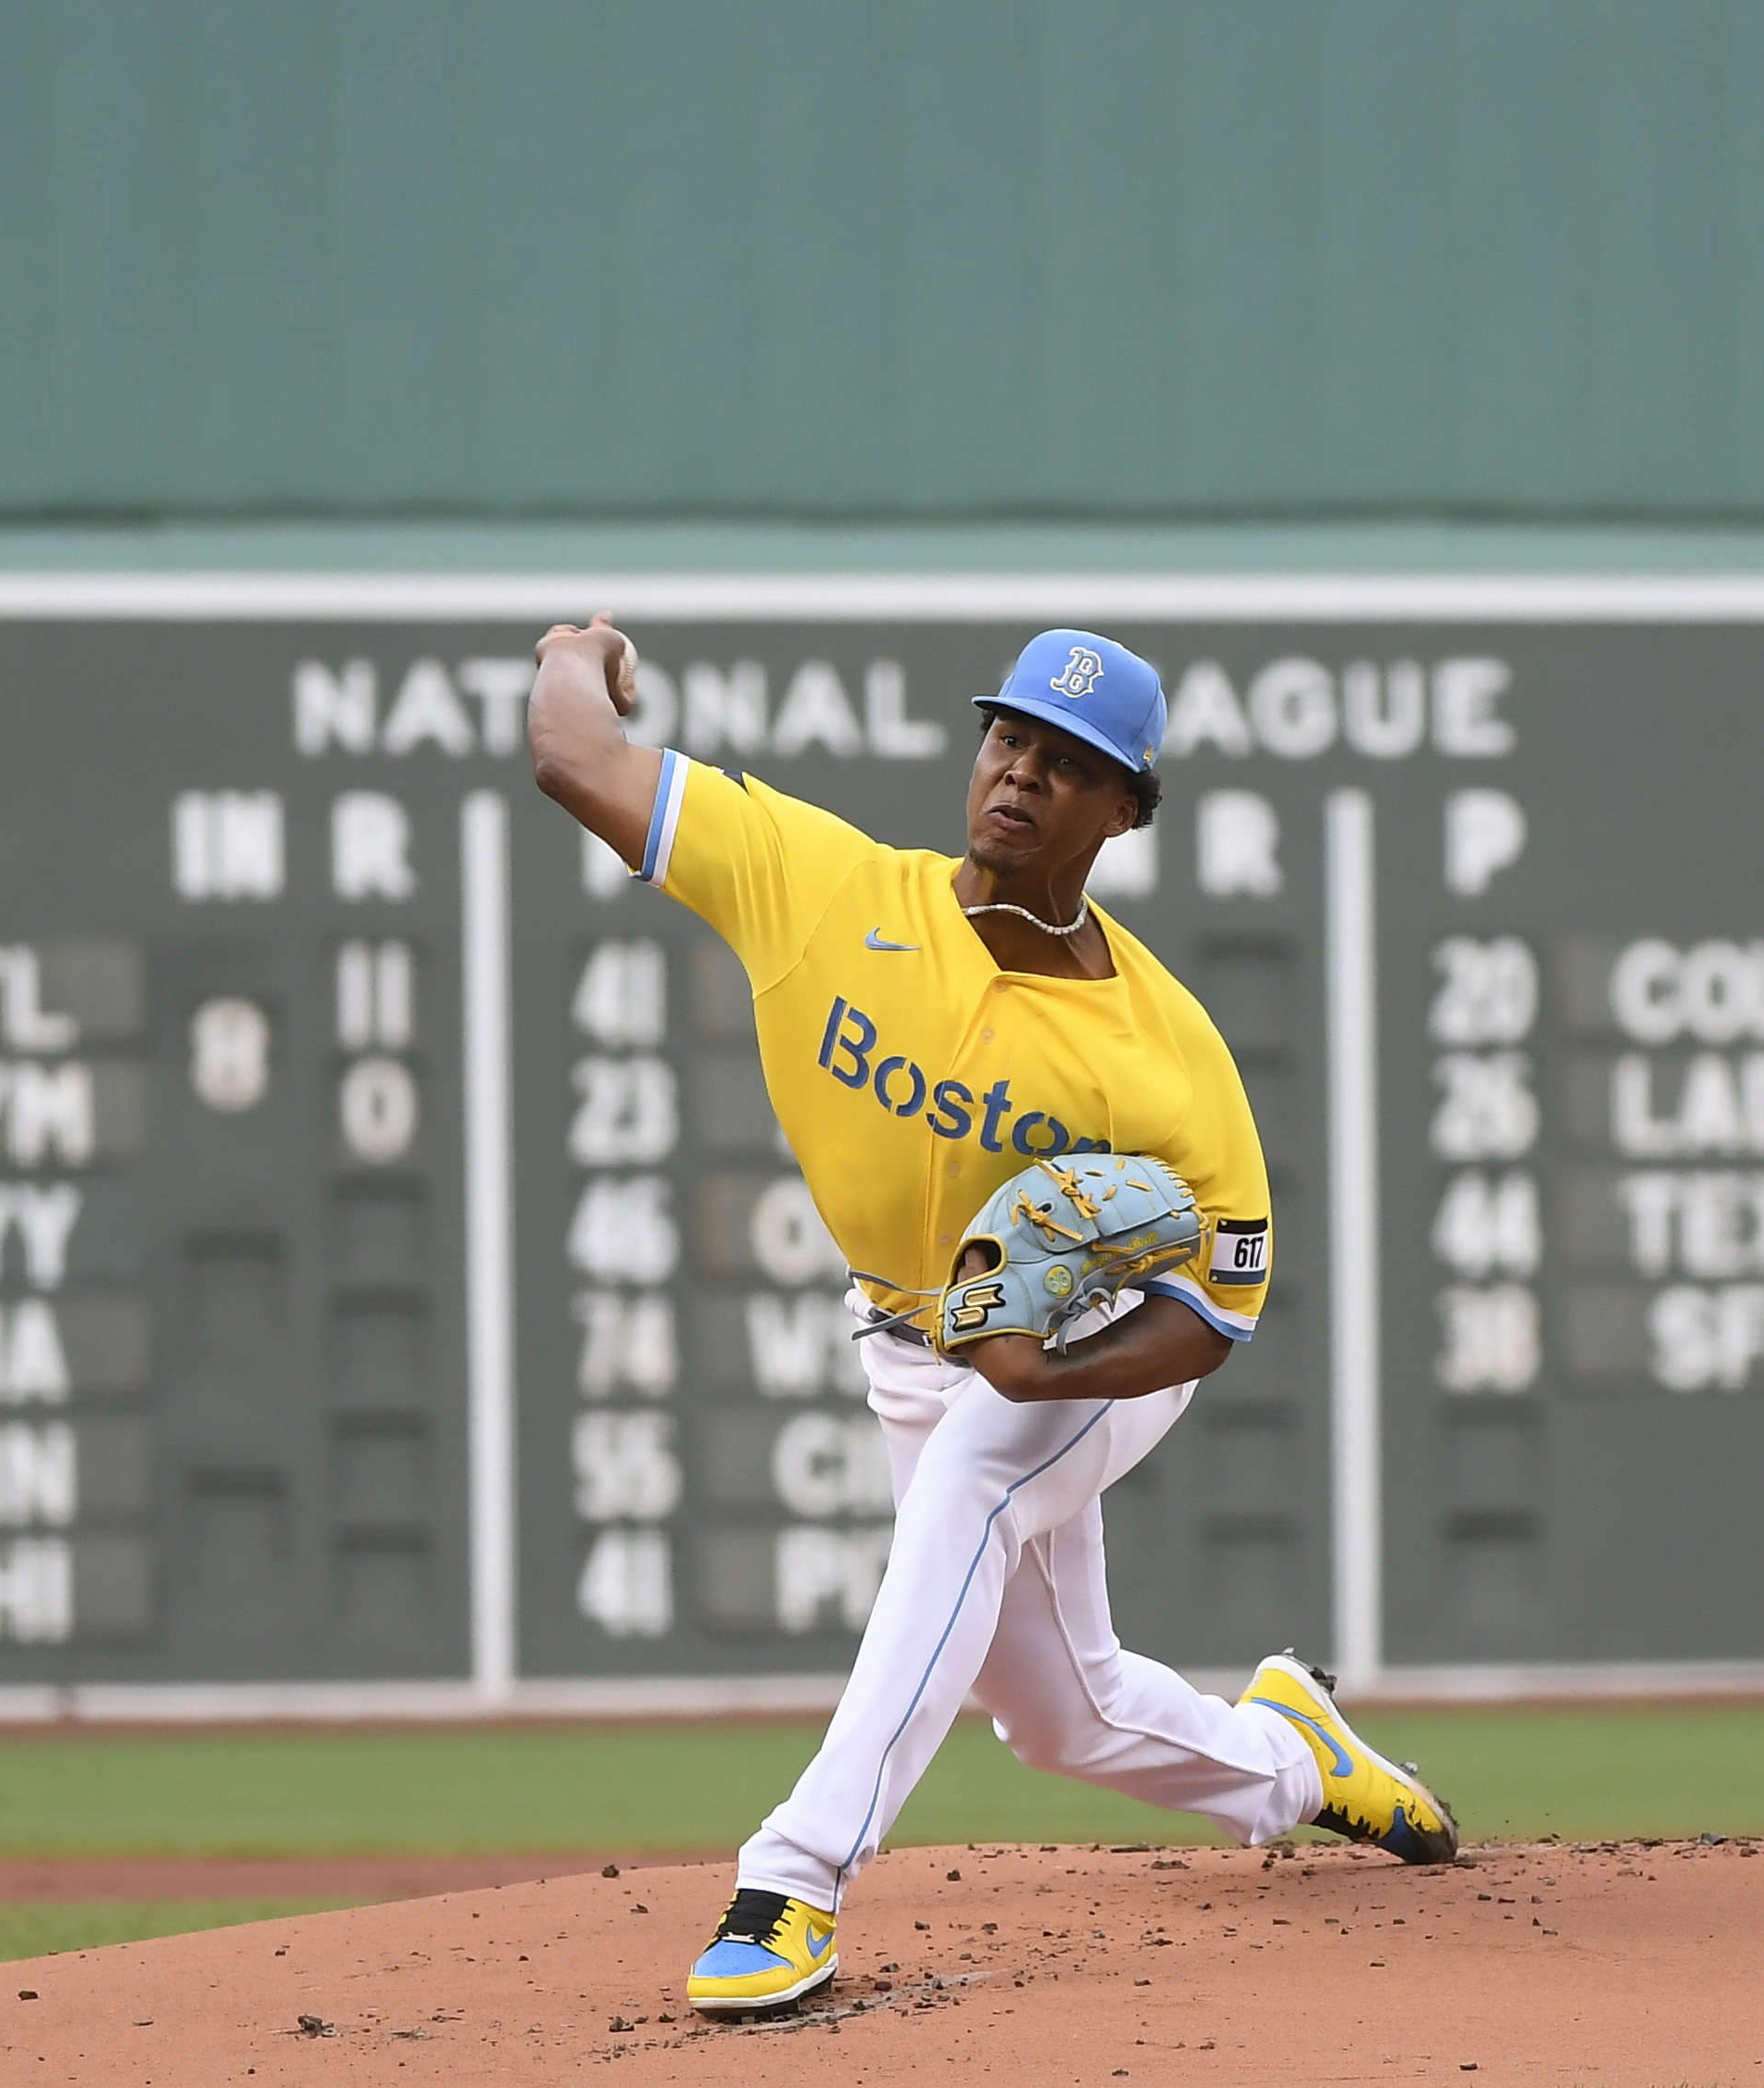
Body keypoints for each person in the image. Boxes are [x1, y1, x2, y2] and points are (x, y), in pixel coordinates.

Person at [526, 616, 1459, 2016]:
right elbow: (571, 754)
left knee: (968, 1479)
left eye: (1068, 762)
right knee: (1059, 1718)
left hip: (1102, 1346)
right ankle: (1291, 1760)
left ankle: (792, 1880)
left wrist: (1034, 1377)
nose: (1020, 774)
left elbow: (1221, 1309)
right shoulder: (821, 886)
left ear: (1124, 811)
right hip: (913, 1335)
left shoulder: (1164, 1052)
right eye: (1007, 738)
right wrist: (572, 650)